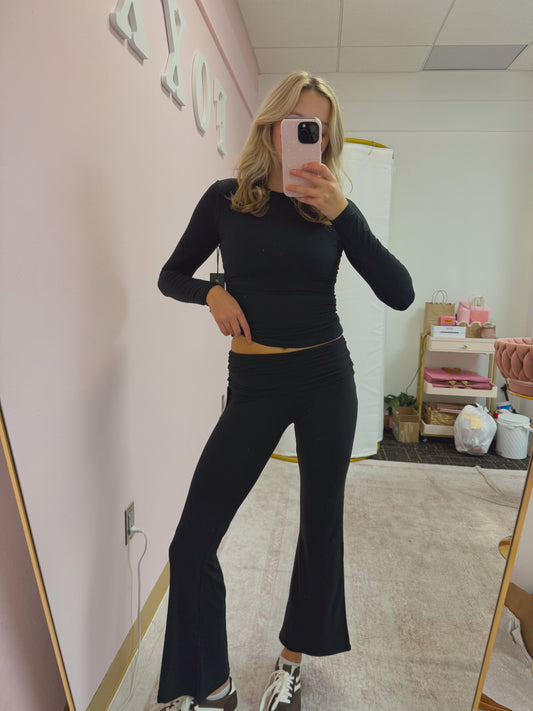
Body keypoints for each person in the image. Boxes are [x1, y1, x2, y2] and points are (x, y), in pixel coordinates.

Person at [156, 71, 414, 711]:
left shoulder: (331, 209)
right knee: (191, 542)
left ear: (327, 138)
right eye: (296, 121)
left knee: (320, 525)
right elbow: (171, 275)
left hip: (327, 379)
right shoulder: (225, 199)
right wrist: (211, 294)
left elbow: (400, 292)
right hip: (254, 384)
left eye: (317, 128)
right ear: (271, 124)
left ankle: (292, 661)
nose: (306, 135)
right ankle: (213, 687)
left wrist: (343, 213)